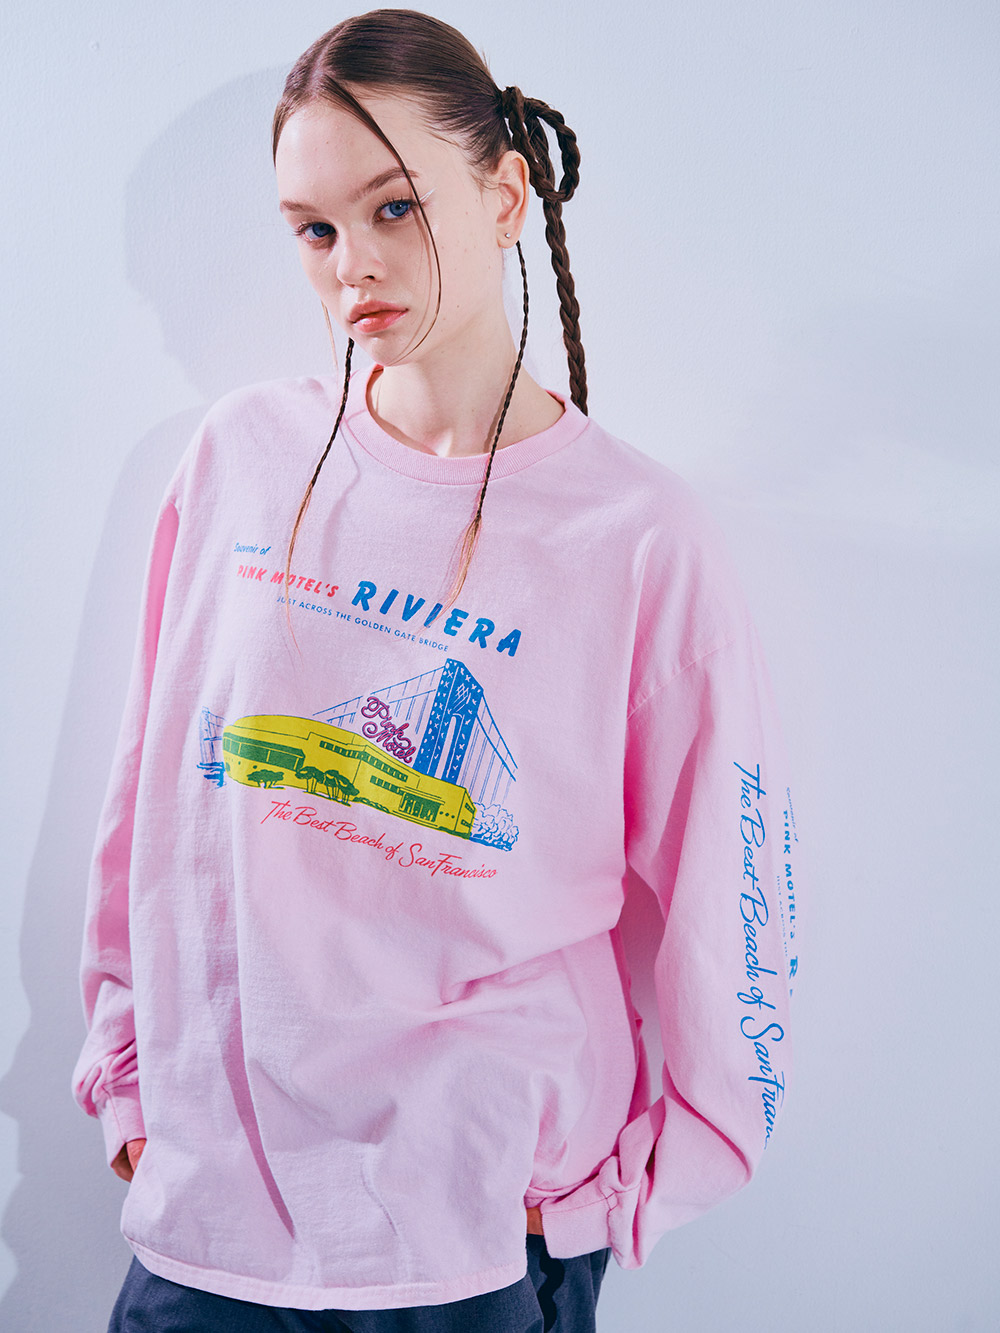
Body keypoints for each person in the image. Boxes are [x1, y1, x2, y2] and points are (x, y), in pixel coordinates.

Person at [71, 8, 801, 1331]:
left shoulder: (638, 535)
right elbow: (152, 800)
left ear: (507, 195)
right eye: (313, 229)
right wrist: (126, 1081)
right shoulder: (239, 457)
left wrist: (636, 1187)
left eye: (395, 208)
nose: (354, 263)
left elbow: (724, 892)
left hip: (480, 1247)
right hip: (210, 1224)